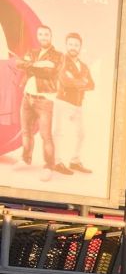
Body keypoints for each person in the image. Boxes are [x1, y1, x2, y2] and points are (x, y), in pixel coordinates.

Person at [17, 25, 61, 181]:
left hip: (44, 101)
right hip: (27, 98)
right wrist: (39, 64)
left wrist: (31, 65)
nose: (43, 37)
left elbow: (50, 72)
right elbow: (20, 64)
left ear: (51, 36)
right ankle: (25, 159)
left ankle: (49, 166)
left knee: (46, 136)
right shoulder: (33, 52)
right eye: (40, 34)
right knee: (26, 131)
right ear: (38, 36)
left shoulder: (57, 55)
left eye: (46, 34)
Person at [53, 32, 94, 176]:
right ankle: (57, 162)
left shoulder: (83, 66)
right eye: (70, 44)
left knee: (81, 134)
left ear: (80, 47)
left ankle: (74, 161)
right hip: (63, 102)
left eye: (76, 45)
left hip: (77, 104)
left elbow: (91, 85)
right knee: (59, 133)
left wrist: (76, 82)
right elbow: (64, 81)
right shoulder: (61, 60)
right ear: (66, 45)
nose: (73, 47)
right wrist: (80, 81)